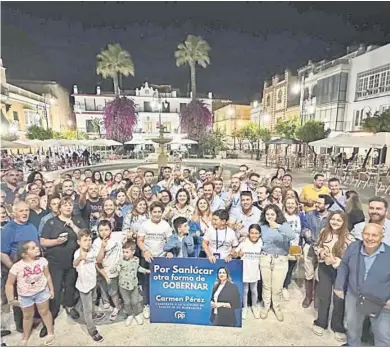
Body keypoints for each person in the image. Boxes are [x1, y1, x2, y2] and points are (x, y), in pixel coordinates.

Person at [334, 223, 390, 346]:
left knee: (383, 335)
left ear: (382, 236)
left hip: (381, 302)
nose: (370, 238)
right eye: (367, 234)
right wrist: (339, 285)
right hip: (354, 296)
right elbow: (344, 265)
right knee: (352, 329)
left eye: (374, 235)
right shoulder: (354, 247)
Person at [40, 196, 85, 337]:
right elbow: (42, 241)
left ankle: (70, 306)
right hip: (55, 262)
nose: (68, 207)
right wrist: (57, 242)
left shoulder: (77, 220)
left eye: (70, 205)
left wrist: (72, 225)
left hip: (73, 262)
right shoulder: (51, 222)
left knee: (70, 285)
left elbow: (83, 236)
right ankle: (51, 316)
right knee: (56, 288)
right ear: (59, 208)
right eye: (65, 205)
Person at [312, 211, 355, 341]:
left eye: (338, 220)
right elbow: (316, 246)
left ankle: (338, 327)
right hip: (324, 268)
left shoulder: (349, 238)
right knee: (324, 296)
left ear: (344, 223)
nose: (335, 222)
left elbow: (351, 260)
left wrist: (336, 261)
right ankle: (321, 322)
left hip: (341, 271)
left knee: (339, 299)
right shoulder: (324, 233)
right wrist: (321, 253)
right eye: (333, 219)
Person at [5, 241, 55, 346]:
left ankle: (50, 332)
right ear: (24, 254)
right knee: (27, 316)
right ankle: (25, 337)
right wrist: (11, 299)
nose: (37, 248)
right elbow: (9, 284)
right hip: (25, 296)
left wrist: (51, 289)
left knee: (45, 312)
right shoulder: (17, 267)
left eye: (36, 246)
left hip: (41, 292)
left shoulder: (43, 261)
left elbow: (48, 275)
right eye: (32, 248)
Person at [1, 201, 40, 333]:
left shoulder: (32, 226)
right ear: (14, 213)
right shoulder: (8, 229)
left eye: (27, 210)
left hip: (31, 269)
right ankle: (21, 326)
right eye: (21, 211)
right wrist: (14, 270)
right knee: (19, 298)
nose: (25, 213)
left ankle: (31, 318)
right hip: (15, 268)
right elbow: (2, 253)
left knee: (31, 294)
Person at [259, 204, 295, 321]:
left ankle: (277, 307)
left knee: (277, 287)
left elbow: (292, 235)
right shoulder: (262, 226)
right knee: (266, 285)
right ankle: (266, 305)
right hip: (265, 257)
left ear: (277, 215)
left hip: (280, 259)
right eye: (267, 214)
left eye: (272, 214)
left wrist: (277, 226)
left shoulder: (284, 225)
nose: (270, 216)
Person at [137, 201, 172, 319]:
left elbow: (170, 241)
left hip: (161, 258)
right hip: (147, 258)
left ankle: (160, 306)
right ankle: (146, 305)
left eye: (159, 212)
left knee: (161, 283)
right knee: (146, 284)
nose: (157, 214)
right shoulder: (145, 225)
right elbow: (140, 241)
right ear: (150, 212)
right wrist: (145, 251)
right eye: (155, 212)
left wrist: (169, 252)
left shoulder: (166, 225)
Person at [301, 194, 333, 309]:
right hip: (310, 245)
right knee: (308, 273)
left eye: (319, 203)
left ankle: (317, 297)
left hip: (324, 249)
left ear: (327, 205)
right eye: (317, 202)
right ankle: (308, 296)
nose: (316, 205)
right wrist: (305, 232)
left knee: (320, 274)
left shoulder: (331, 217)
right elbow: (303, 227)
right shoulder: (309, 214)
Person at [73, 229, 105, 343]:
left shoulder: (92, 251)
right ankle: (92, 330)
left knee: (94, 299)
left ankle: (94, 313)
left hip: (93, 282)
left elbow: (97, 261)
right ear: (79, 242)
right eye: (85, 240)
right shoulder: (78, 253)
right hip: (84, 286)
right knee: (87, 309)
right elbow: (74, 264)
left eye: (90, 239)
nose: (88, 242)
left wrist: (102, 247)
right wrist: (80, 258)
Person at [94, 220, 124, 322]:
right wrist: (103, 247)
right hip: (104, 270)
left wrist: (131, 234)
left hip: (116, 270)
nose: (103, 232)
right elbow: (98, 260)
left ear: (111, 230)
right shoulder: (96, 242)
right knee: (104, 288)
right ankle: (109, 303)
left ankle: (117, 306)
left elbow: (129, 234)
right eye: (101, 230)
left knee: (114, 291)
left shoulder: (117, 236)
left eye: (106, 229)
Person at [117, 241, 149, 327]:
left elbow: (137, 268)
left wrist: (145, 270)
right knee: (127, 302)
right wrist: (116, 268)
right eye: (123, 252)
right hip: (123, 286)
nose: (124, 254)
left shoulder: (136, 260)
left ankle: (137, 314)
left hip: (134, 285)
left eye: (127, 252)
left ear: (133, 252)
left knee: (135, 301)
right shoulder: (121, 261)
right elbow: (116, 269)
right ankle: (130, 315)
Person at [234, 224, 262, 319]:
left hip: (255, 271)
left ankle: (254, 306)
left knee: (254, 290)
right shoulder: (244, 243)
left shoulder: (261, 243)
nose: (254, 235)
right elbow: (233, 253)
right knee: (245, 290)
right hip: (245, 270)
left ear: (260, 234)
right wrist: (238, 253)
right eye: (252, 233)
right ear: (249, 233)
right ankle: (244, 307)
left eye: (256, 233)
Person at [282, 197, 302, 300]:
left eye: (292, 203)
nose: (290, 205)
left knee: (290, 268)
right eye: (288, 203)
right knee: (282, 267)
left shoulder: (298, 217)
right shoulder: (281, 217)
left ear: (296, 205)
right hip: (283, 245)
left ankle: (285, 287)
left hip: (295, 245)